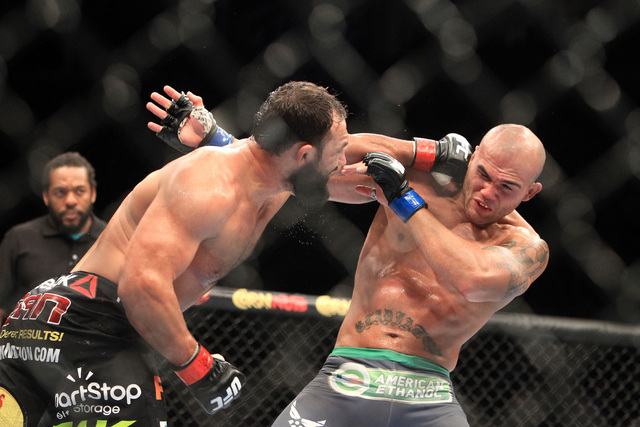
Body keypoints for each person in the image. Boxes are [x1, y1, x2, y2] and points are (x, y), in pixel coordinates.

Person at [167, 96, 548, 426]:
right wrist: (218, 142)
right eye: (483, 174)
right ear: (473, 155)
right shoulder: (420, 180)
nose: (488, 192)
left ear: (530, 193)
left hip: (428, 395)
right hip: (346, 375)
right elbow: (319, 162)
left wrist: (402, 200)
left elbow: (474, 280)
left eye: (507, 187)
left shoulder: (525, 246)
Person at [0, 81, 352, 426]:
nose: (343, 163)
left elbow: (361, 170)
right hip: (94, 321)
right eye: (339, 152)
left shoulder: (270, 181)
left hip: (49, 319)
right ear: (304, 155)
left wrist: (396, 169)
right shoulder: (211, 186)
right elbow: (140, 286)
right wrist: (197, 365)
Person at [0, 152, 107, 324]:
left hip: (96, 338)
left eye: (79, 191)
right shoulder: (18, 239)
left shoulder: (111, 240)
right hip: (29, 338)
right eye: (60, 192)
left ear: (93, 194)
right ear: (46, 196)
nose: (70, 201)